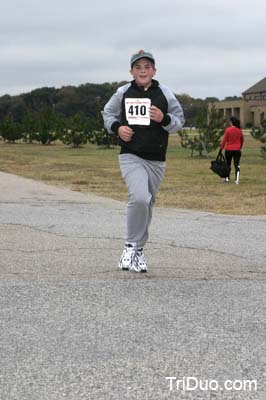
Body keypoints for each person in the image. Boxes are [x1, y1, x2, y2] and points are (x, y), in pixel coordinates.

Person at [103, 49, 185, 273]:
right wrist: (117, 128)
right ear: (131, 71)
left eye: (147, 67)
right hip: (131, 154)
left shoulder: (165, 93)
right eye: (138, 67)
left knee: (147, 203)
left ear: (154, 70)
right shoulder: (122, 92)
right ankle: (130, 245)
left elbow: (179, 121)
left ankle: (139, 250)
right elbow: (107, 115)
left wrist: (164, 118)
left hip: (156, 158)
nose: (143, 71)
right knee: (139, 197)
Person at [220, 116, 244, 184]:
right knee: (237, 164)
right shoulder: (239, 130)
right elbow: (242, 140)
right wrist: (240, 147)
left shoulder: (228, 130)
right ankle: (237, 179)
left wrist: (221, 148)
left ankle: (227, 178)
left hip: (229, 149)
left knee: (228, 164)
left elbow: (224, 140)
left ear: (231, 122)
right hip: (237, 150)